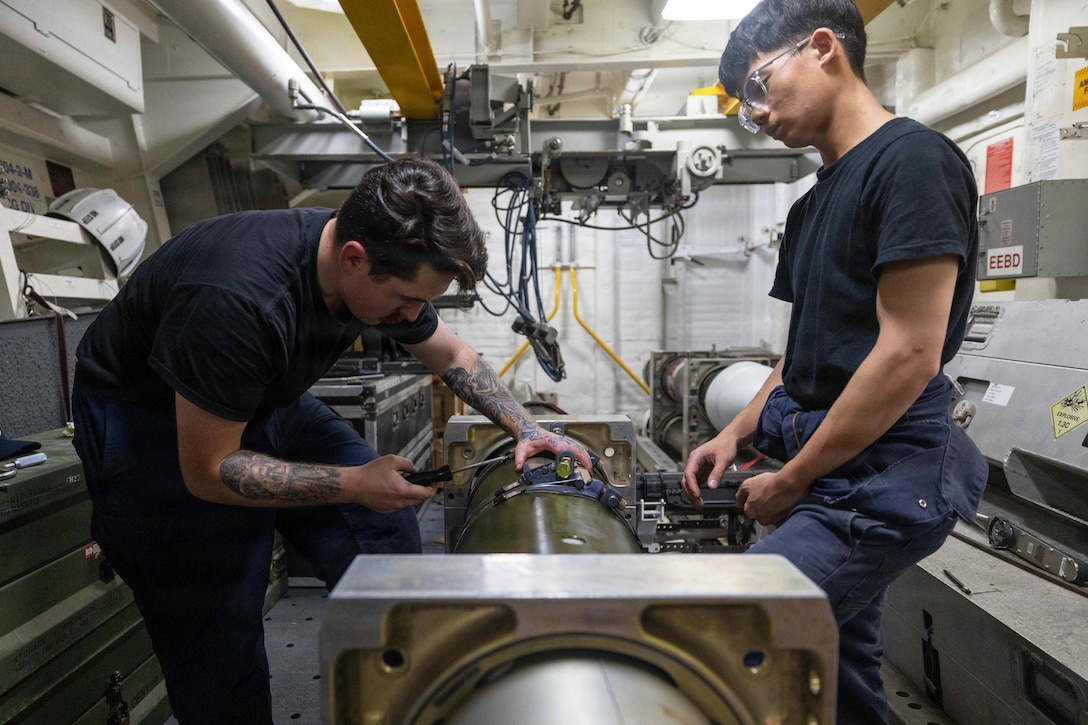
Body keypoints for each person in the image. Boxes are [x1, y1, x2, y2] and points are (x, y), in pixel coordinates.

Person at [71, 157, 592, 724]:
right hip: (153, 427)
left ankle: (397, 702)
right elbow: (209, 468)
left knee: (383, 527)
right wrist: (351, 483)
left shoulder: (371, 255)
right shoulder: (238, 298)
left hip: (262, 396)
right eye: (404, 301)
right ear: (353, 261)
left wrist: (529, 428)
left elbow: (455, 356)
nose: (412, 317)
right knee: (219, 623)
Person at [682, 1, 987, 722]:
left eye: (757, 84)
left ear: (823, 48)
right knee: (836, 666)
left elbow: (909, 352)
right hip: (835, 461)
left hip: (890, 467)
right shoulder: (810, 208)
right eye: (740, 103)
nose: (752, 112)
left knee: (741, 623)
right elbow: (802, 356)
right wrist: (736, 434)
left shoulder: (911, 162)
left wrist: (793, 476)